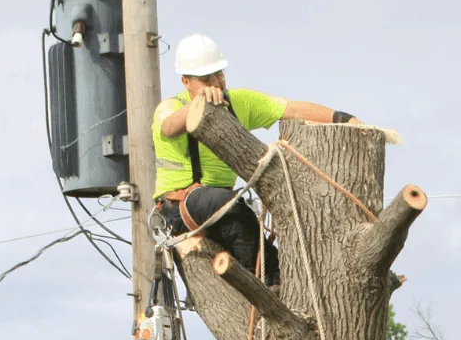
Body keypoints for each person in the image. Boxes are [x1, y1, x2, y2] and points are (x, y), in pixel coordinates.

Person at [152, 34, 360, 278]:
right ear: (186, 81)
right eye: (205, 79)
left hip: (217, 205)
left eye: (219, 74)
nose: (215, 83)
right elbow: (168, 126)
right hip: (179, 207)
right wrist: (198, 104)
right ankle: (264, 282)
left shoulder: (239, 102)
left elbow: (290, 108)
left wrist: (344, 118)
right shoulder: (171, 107)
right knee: (231, 209)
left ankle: (274, 277)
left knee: (245, 225)